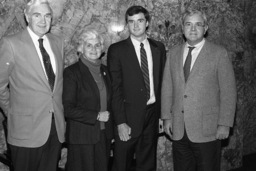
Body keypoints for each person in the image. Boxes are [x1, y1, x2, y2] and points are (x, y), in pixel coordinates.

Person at [161, 9, 237, 171]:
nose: (193, 29)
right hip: (179, 129)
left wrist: (224, 123)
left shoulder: (218, 53)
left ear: (206, 28)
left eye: (198, 24)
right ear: (182, 28)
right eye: (188, 24)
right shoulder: (173, 54)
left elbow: (228, 91)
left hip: (207, 129)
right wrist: (167, 117)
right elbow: (167, 88)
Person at [0, 0, 65, 170]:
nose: (43, 21)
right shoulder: (11, 43)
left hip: (54, 128)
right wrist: (13, 111)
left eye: (47, 16)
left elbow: (56, 86)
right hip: (25, 130)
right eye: (37, 15)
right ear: (27, 16)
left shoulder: (58, 42)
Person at [107, 5, 166, 171]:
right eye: (131, 21)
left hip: (152, 115)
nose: (136, 25)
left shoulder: (158, 48)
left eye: (140, 20)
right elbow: (115, 89)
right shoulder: (116, 50)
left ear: (147, 23)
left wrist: (162, 115)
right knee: (122, 164)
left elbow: (162, 83)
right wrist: (120, 122)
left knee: (147, 163)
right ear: (127, 24)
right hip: (128, 117)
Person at [63, 29, 113, 171]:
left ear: (102, 49)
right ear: (81, 48)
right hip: (82, 138)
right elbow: (68, 109)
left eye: (97, 45)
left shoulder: (106, 70)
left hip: (103, 135)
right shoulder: (72, 73)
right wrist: (97, 115)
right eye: (89, 45)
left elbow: (111, 102)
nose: (93, 49)